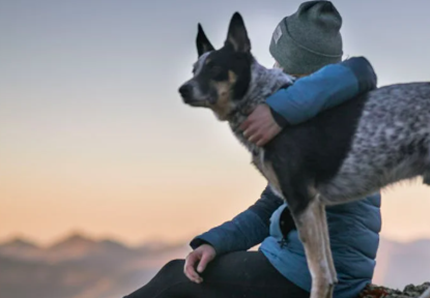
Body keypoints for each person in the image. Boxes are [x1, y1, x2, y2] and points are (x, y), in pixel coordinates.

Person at [123, 1, 381, 298]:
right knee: (184, 273)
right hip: (302, 265)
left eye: (278, 63)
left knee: (174, 280)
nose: (271, 69)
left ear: (297, 69)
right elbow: (268, 207)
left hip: (309, 274)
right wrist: (214, 243)